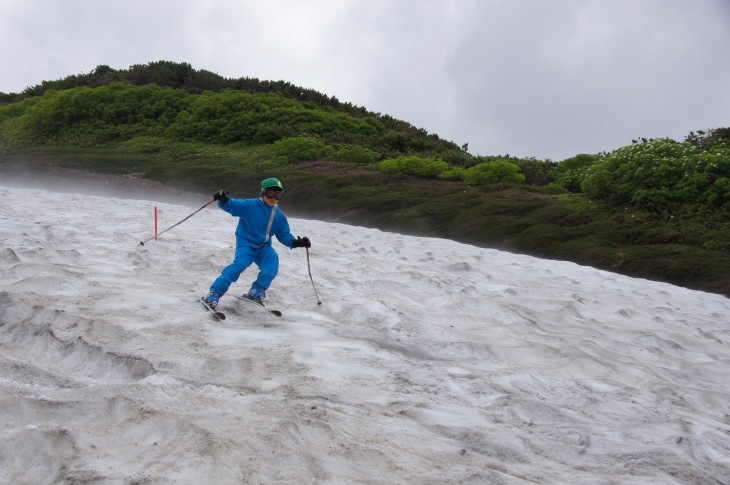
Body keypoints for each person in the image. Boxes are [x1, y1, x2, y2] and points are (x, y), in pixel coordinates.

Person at [203, 178, 311, 308]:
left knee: (272, 264)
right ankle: (214, 293)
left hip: (264, 247)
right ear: (263, 192)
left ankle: (257, 290)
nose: (273, 198)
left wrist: (296, 242)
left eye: (278, 195)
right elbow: (231, 205)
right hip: (246, 244)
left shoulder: (278, 215)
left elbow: (283, 234)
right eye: (271, 193)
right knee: (239, 265)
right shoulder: (250, 205)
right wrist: (223, 199)